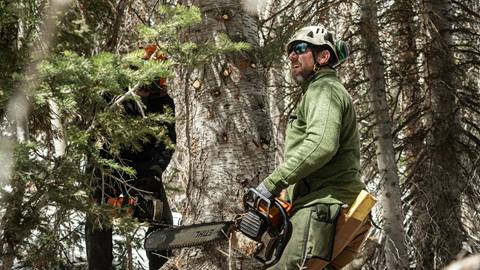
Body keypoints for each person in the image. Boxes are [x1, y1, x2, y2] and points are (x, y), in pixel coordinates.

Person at [255, 25, 370, 269]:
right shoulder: (319, 92)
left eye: (299, 49)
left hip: (324, 207)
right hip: (335, 207)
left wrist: (271, 184)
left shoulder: (324, 89)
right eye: (290, 53)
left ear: (323, 56)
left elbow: (320, 145)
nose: (292, 56)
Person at [85, 46, 175, 270]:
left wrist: (156, 171)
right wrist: (101, 172)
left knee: (161, 220)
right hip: (109, 168)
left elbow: (166, 143)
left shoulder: (164, 103)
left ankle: (161, 266)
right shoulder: (112, 96)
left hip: (145, 171)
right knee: (98, 220)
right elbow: (94, 136)